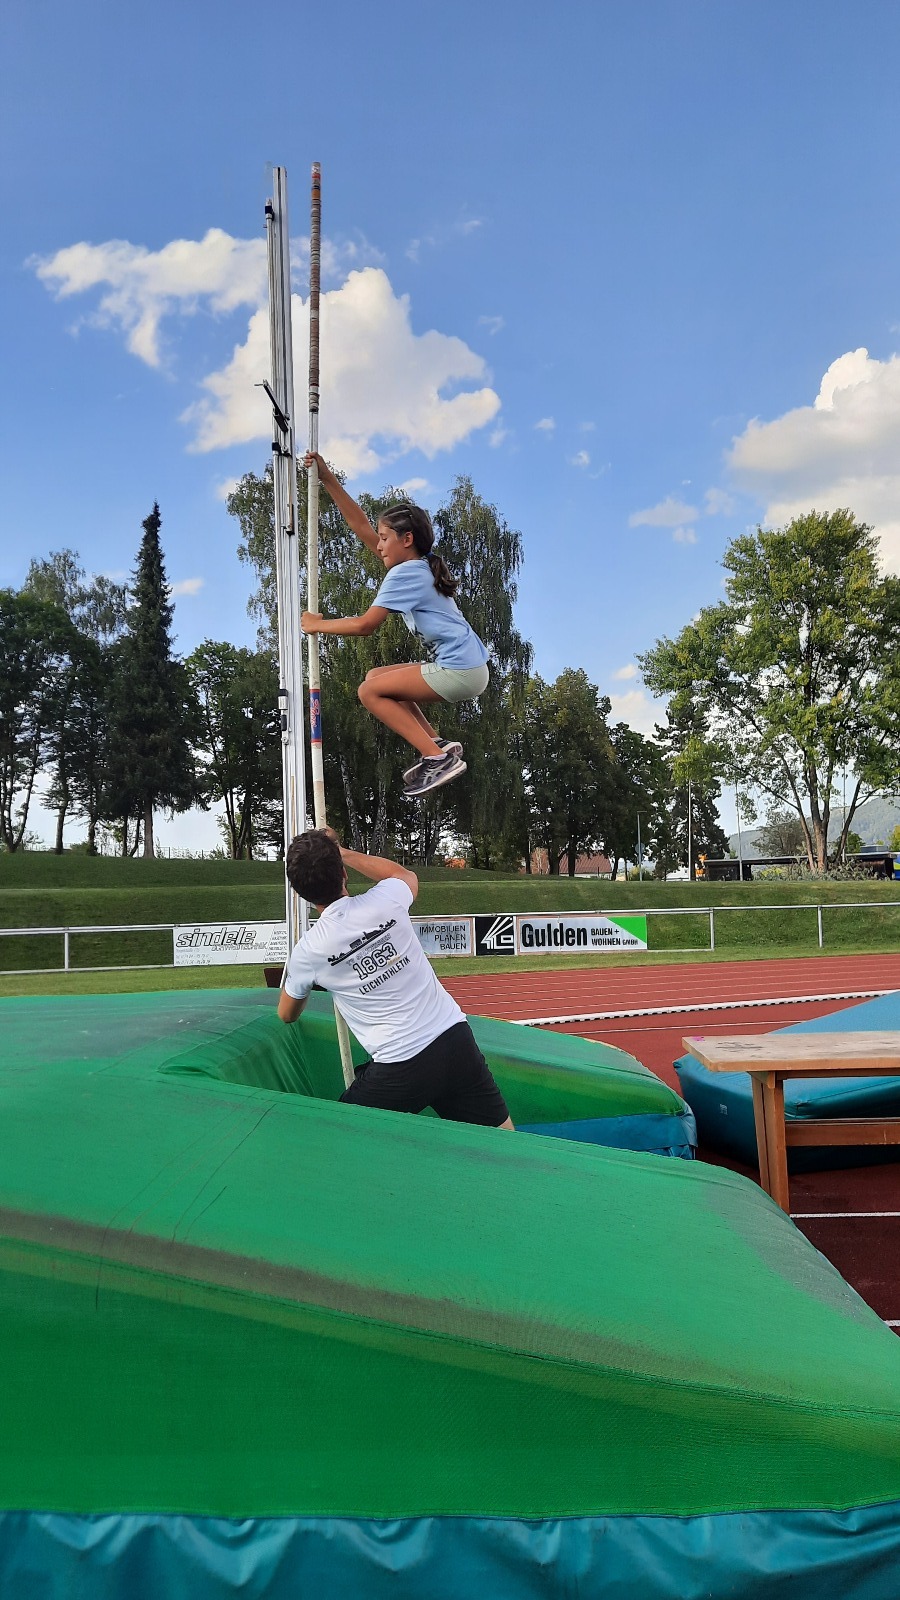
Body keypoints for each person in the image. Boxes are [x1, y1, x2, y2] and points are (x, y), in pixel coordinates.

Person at [277, 828, 514, 1130]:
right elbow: (404, 875)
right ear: (343, 874)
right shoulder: (386, 899)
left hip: (399, 1068)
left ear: (300, 894)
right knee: (504, 1140)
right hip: (454, 1041)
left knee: (340, 1134)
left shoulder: (308, 951)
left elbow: (287, 1014)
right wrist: (343, 852)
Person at [301, 452, 489, 800]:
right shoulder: (420, 565)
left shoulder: (406, 574)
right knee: (376, 677)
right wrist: (327, 478)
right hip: (468, 666)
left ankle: (437, 758)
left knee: (369, 692)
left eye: (385, 538)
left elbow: (366, 625)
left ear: (407, 540)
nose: (378, 544)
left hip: (460, 670)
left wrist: (317, 625)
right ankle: (435, 743)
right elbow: (361, 527)